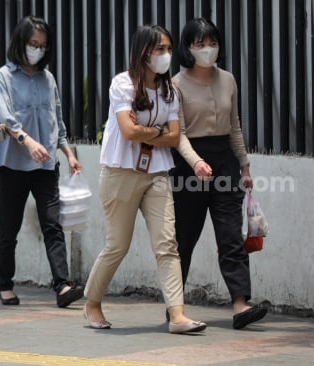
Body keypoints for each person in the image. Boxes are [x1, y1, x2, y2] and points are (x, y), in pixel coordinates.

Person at [83, 25, 206, 334]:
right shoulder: (122, 84)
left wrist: (149, 132)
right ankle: (92, 302)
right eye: (159, 49)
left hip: (157, 173)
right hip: (120, 172)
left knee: (167, 244)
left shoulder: (170, 91)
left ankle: (177, 315)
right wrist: (158, 133)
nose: (166, 55)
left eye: (168, 48)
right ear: (143, 52)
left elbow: (176, 135)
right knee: (118, 246)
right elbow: (128, 131)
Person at [171, 18, 267, 330]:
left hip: (224, 162)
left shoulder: (228, 80)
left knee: (230, 236)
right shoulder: (176, 83)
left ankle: (240, 304)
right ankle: (176, 308)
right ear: (188, 47)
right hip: (189, 166)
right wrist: (195, 161)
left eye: (212, 42)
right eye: (199, 43)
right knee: (184, 238)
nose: (207, 49)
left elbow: (234, 127)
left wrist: (245, 165)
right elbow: (179, 133)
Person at [0, 16, 84, 308]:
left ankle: (63, 285)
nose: (38, 50)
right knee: (9, 229)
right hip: (12, 166)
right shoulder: (4, 77)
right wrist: (28, 141)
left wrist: (69, 153)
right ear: (21, 43)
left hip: (46, 166)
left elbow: (56, 120)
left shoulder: (48, 79)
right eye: (33, 44)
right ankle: (5, 285)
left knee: (52, 225)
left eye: (43, 46)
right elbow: (5, 118)